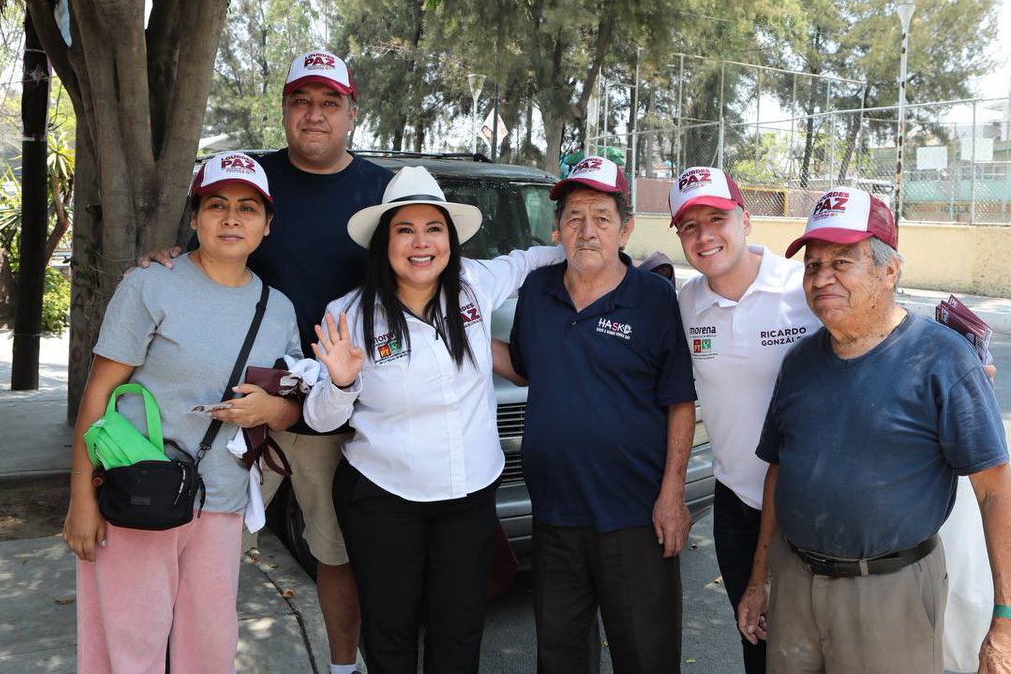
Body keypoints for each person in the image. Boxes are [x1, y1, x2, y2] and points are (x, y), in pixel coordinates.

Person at [142, 49, 391, 673]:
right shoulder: (251, 179)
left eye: (329, 103)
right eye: (301, 101)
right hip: (241, 408)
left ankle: (341, 668)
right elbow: (204, 248)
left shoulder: (381, 190)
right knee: (203, 545)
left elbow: (418, 273)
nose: (314, 115)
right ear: (284, 109)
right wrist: (164, 259)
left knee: (334, 552)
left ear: (351, 113)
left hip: (336, 408)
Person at [739, 187, 1011, 674]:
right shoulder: (799, 361)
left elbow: (996, 492)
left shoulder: (943, 359)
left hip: (889, 594)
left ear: (889, 270)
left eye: (842, 262)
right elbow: (778, 473)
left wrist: (1008, 621)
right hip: (794, 585)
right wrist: (759, 580)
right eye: (813, 265)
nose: (822, 278)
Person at [303, 165, 564, 673]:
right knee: (391, 633)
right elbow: (317, 418)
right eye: (405, 229)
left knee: (459, 630)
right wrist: (337, 383)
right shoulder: (349, 315)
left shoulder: (474, 285)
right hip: (383, 497)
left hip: (469, 496)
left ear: (450, 239)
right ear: (384, 242)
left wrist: (599, 251)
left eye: (434, 229)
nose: (421, 243)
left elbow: (534, 259)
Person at [64, 152, 304, 672]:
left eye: (248, 208)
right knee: (130, 644)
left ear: (267, 225)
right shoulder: (151, 284)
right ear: (194, 218)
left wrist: (272, 408)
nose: (232, 218)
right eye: (216, 205)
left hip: (221, 501)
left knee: (209, 647)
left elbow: (289, 411)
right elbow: (98, 393)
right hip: (137, 491)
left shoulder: (279, 309)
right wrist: (81, 498)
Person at [501, 156, 698, 674]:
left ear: (625, 229)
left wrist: (673, 496)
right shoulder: (537, 294)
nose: (587, 231)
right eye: (574, 218)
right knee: (560, 658)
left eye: (602, 218)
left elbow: (679, 400)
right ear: (557, 228)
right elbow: (522, 366)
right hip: (554, 516)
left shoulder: (655, 300)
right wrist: (449, 330)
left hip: (635, 519)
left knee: (647, 657)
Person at [667, 166, 822, 673]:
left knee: (814, 649)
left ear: (746, 220)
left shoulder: (804, 289)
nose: (705, 235)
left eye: (717, 219)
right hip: (736, 501)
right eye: (690, 227)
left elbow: (883, 328)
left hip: (809, 505)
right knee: (754, 639)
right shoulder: (687, 304)